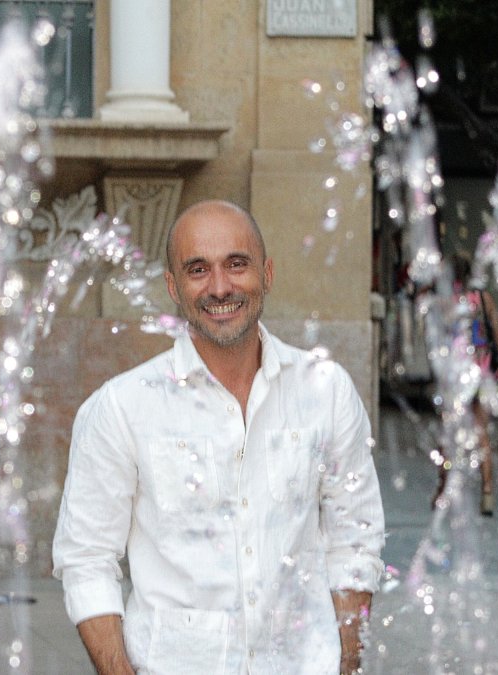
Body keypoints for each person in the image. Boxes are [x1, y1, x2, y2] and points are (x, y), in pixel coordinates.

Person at [52, 200, 386, 674]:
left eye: (236, 264)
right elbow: (87, 559)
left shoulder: (326, 392)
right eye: (197, 269)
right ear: (173, 287)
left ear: (266, 274)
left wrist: (347, 661)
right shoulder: (122, 408)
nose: (220, 286)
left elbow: (356, 538)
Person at [433, 253, 498, 516]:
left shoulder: (447, 302)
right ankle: (487, 493)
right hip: (484, 371)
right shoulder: (483, 298)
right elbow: (497, 333)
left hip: (459, 374)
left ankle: (443, 491)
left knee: (449, 431)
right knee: (482, 432)